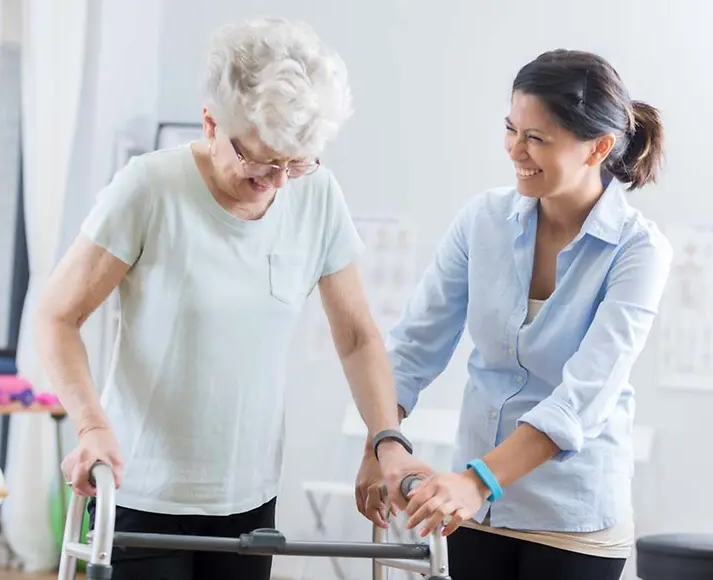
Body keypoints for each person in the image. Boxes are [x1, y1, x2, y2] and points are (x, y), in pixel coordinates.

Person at [35, 16, 430, 580]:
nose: (278, 182)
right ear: (211, 123)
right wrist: (91, 426)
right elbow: (57, 315)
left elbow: (357, 335)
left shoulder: (315, 193)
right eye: (262, 161)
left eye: (296, 163)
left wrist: (385, 438)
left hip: (249, 497)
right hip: (144, 490)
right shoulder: (149, 188)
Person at [355, 49, 673, 580]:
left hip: (571, 521)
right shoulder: (483, 220)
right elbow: (413, 348)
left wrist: (476, 480)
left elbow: (580, 400)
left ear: (599, 147)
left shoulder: (637, 250)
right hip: (475, 515)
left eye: (537, 138)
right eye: (511, 129)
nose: (515, 150)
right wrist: (383, 441)